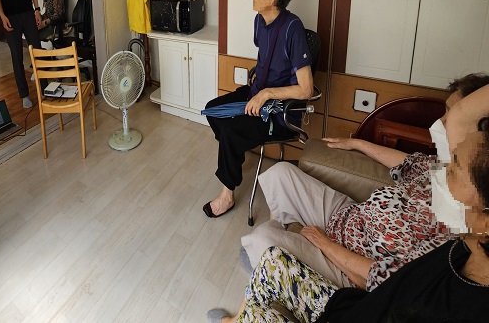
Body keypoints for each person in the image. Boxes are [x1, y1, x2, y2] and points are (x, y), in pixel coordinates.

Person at [208, 86, 489, 323]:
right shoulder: (442, 171)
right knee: (281, 173)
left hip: (349, 264)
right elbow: (410, 163)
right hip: (351, 217)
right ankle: (280, 247)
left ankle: (271, 259)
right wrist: (359, 144)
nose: (442, 122)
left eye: (455, 169)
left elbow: (387, 281)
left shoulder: (450, 240)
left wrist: (324, 244)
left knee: (263, 241)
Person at [204, 0, 314, 218]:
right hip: (257, 94)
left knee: (231, 130)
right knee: (212, 110)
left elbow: (306, 89)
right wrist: (257, 74)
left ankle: (227, 195)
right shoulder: (259, 21)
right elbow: (267, 56)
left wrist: (266, 93)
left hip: (278, 111)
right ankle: (233, 154)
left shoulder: (293, 28)